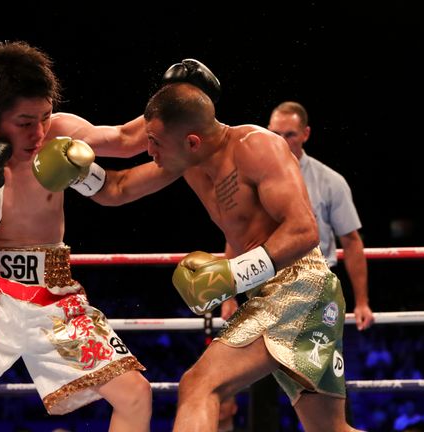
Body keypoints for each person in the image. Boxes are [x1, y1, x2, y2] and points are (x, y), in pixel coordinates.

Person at [0, 40, 180, 432]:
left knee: (135, 394)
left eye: (45, 116)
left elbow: (129, 141)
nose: (40, 132)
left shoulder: (59, 131)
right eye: (25, 122)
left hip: (54, 295)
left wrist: (177, 99)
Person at [134, 83, 358, 431]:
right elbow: (116, 186)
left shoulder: (256, 146)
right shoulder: (187, 160)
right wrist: (79, 172)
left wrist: (233, 275)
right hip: (286, 292)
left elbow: (304, 231)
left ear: (192, 140)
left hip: (299, 285)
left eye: (154, 142)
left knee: (199, 384)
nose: (147, 151)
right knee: (329, 429)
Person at [267, 101, 373, 330]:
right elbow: (237, 231)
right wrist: (230, 298)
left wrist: (362, 302)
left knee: (316, 363)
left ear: (306, 134)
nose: (281, 141)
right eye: (275, 134)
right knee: (266, 364)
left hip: (317, 285)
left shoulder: (330, 181)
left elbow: (352, 242)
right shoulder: (253, 179)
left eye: (290, 135)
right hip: (267, 287)